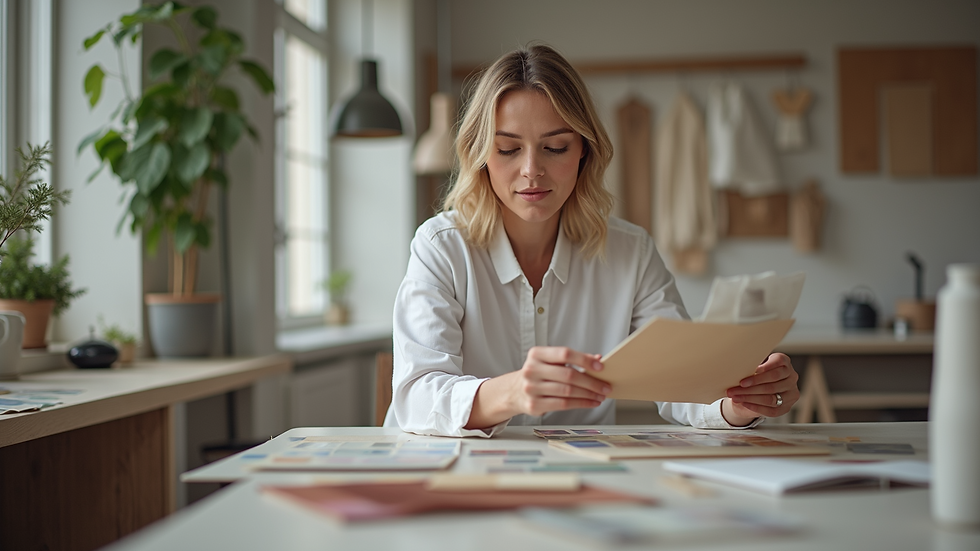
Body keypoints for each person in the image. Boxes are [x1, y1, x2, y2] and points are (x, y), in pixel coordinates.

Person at [385, 44, 799, 437]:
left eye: (555, 147)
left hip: (582, 472)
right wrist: (511, 392)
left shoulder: (629, 251)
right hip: (458, 475)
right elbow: (416, 395)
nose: (532, 170)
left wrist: (737, 405)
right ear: (480, 155)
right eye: (508, 149)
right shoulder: (441, 246)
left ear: (584, 150)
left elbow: (681, 381)